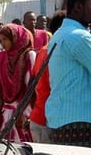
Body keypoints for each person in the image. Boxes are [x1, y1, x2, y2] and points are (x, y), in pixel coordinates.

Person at [45, 0, 91, 147]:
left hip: (58, 118)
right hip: (79, 118)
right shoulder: (81, 36)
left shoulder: (59, 34)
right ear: (78, 7)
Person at [27, 11, 64, 143]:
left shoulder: (43, 51)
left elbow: (32, 85)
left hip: (39, 116)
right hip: (49, 120)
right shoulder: (58, 54)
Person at [0, 24, 36, 141]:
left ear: (15, 38)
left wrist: (20, 112)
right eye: (1, 40)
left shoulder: (29, 56)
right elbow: (1, 89)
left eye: (5, 39)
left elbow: (32, 89)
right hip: (7, 114)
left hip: (25, 113)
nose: (2, 43)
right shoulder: (2, 57)